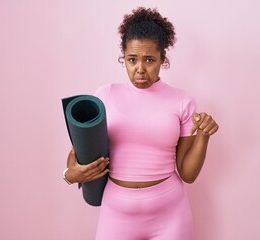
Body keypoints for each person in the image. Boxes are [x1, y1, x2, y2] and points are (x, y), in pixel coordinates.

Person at [63, 7, 219, 240]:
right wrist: (69, 174)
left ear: (162, 59)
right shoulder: (105, 95)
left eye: (149, 60)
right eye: (132, 60)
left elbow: (187, 174)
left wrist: (203, 135)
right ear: (123, 57)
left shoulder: (182, 101)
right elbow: (80, 151)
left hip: (170, 214)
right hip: (117, 213)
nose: (140, 69)